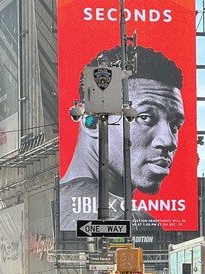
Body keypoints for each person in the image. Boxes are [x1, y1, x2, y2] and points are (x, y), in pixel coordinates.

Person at [59, 46, 185, 231]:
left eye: (174, 126)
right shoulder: (130, 220)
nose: (169, 141)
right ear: (91, 122)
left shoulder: (52, 201)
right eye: (145, 117)